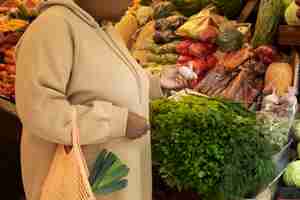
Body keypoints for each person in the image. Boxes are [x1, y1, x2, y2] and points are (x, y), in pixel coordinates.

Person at [15, 0, 185, 200]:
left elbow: (106, 81)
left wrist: (156, 84)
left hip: (111, 179)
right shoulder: (52, 27)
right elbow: (40, 109)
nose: (131, 2)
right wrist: (116, 122)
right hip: (80, 184)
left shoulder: (104, 28)